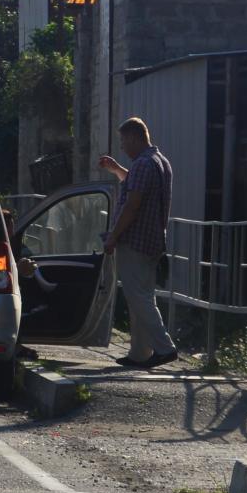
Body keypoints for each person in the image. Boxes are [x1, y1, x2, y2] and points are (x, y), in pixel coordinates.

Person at [99, 117, 179, 368]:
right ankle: (140, 353)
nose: (122, 146)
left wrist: (113, 237)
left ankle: (164, 348)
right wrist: (116, 170)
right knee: (143, 297)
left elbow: (132, 205)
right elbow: (136, 185)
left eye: (123, 140)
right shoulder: (159, 161)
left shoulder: (143, 164)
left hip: (136, 240)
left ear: (135, 137)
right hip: (153, 241)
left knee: (138, 297)